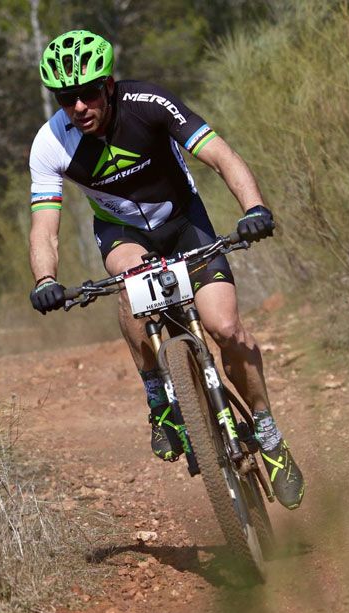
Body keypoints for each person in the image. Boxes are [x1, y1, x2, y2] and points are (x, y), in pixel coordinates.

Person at [26, 29, 303, 509]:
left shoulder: (149, 103)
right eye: (65, 98)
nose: (78, 107)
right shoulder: (51, 143)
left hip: (183, 222)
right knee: (130, 287)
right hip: (122, 234)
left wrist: (254, 208)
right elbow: (44, 226)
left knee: (226, 328)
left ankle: (269, 433)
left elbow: (220, 155)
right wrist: (45, 280)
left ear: (109, 85)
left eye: (88, 93)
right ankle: (159, 398)